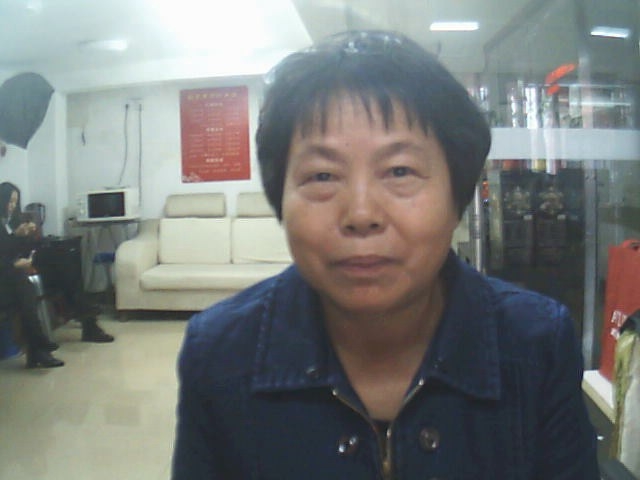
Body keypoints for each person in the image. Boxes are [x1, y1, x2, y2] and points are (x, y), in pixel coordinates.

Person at [172, 31, 599, 479]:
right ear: (281, 197)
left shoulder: (536, 343)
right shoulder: (219, 353)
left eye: (399, 171)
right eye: (322, 175)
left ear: (456, 197)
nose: (361, 214)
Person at [0, 182, 114, 368]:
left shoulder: (8, 221)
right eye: (9, 201)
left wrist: (25, 235)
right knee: (23, 287)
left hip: (15, 266)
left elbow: (13, 249)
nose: (12, 206)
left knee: (63, 266)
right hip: (6, 274)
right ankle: (38, 349)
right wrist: (14, 257)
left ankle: (89, 324)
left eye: (15, 202)